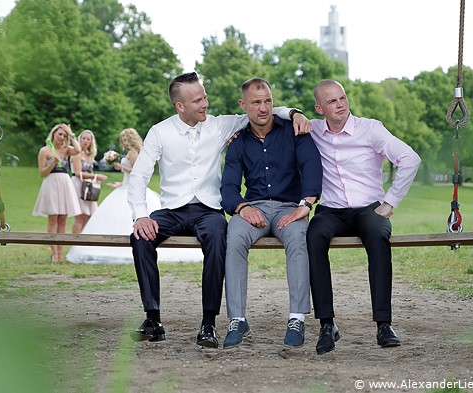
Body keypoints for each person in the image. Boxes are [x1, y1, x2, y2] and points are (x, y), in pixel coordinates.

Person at [127, 72, 310, 349]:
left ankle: (208, 323)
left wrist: (294, 113)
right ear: (180, 106)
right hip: (172, 210)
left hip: (208, 209)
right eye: (198, 100)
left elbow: (261, 111)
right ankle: (153, 318)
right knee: (140, 237)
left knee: (218, 236)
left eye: (205, 97)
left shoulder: (218, 125)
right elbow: (139, 175)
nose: (205, 104)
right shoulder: (159, 132)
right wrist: (140, 214)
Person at [307, 79, 421, 354]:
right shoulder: (312, 130)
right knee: (313, 235)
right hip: (331, 210)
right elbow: (277, 112)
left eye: (342, 98)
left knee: (378, 233)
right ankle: (326, 324)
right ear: (319, 108)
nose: (340, 104)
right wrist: (294, 114)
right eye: (332, 101)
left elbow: (410, 158)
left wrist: (389, 202)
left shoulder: (370, 129)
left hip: (368, 208)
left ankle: (384, 324)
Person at [219, 78, 322, 349]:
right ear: (244, 105)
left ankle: (297, 318)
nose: (263, 108)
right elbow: (228, 187)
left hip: (291, 207)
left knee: (299, 239)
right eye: (256, 102)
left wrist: (305, 205)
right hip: (255, 209)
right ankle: (237, 320)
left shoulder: (294, 131)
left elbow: (312, 167)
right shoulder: (238, 143)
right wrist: (242, 208)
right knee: (235, 236)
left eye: (268, 101)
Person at [66, 128, 203, 264]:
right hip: (125, 186)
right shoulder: (131, 152)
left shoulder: (132, 153)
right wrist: (120, 183)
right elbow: (130, 176)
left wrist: (121, 168)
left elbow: (137, 171)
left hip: (131, 189)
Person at [32, 123, 82, 262]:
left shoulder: (66, 149)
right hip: (51, 183)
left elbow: (78, 150)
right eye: (60, 134)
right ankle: (53, 253)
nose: (62, 137)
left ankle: (60, 252)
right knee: (53, 219)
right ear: (53, 134)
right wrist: (53, 162)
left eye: (64, 135)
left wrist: (71, 134)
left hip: (65, 183)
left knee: (63, 220)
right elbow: (42, 172)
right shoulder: (45, 151)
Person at [70, 130, 108, 234]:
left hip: (88, 186)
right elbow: (78, 173)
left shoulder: (89, 155)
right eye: (83, 138)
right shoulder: (76, 153)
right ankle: (75, 244)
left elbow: (89, 171)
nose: (85, 141)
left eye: (88, 139)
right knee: (81, 216)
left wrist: (95, 180)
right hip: (78, 184)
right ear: (80, 139)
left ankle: (84, 243)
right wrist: (96, 176)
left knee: (90, 216)